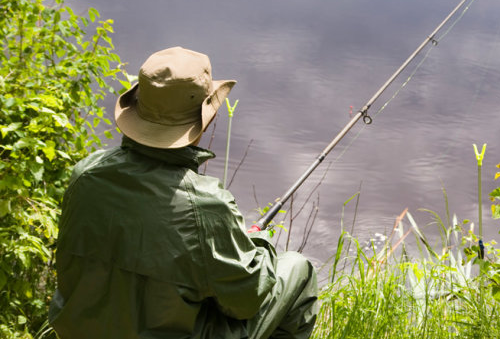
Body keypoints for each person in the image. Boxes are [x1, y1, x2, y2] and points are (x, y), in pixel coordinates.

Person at [49, 46, 318, 339]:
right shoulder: (206, 205)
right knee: (297, 270)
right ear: (202, 121)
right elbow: (246, 301)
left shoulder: (85, 174)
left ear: (137, 109)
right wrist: (258, 244)